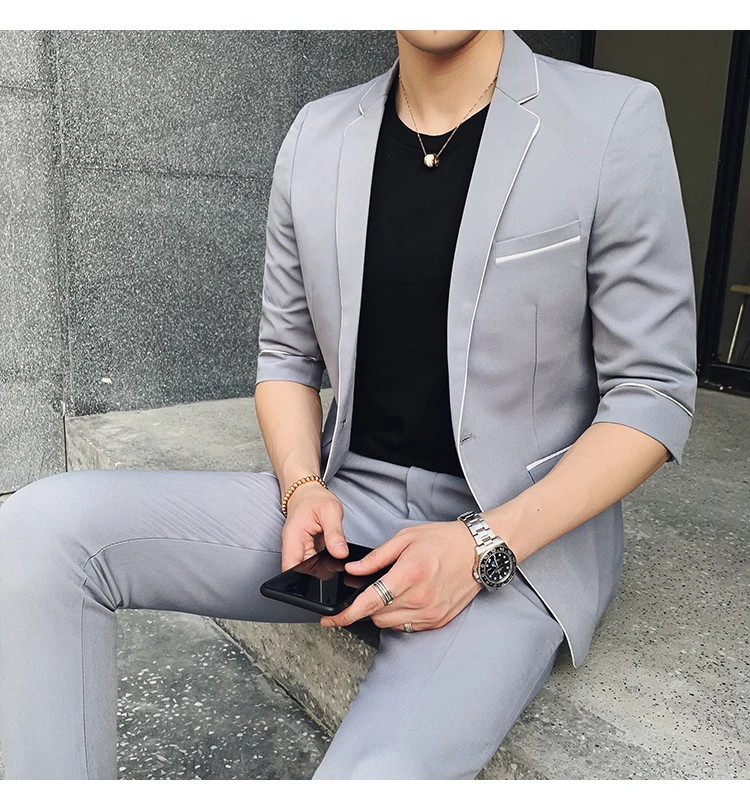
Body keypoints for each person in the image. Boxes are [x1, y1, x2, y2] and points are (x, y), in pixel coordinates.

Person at [0, 29, 697, 780]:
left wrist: (481, 546)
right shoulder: (318, 133)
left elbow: (652, 391)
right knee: (43, 530)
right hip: (349, 501)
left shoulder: (611, 118)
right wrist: (302, 486)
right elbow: (285, 356)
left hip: (519, 537)